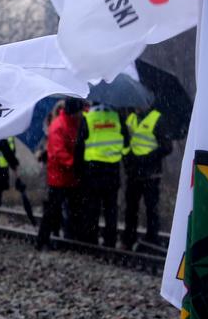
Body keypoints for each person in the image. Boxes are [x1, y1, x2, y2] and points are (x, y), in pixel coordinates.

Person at [36, 97, 85, 250]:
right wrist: (74, 163)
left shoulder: (73, 123)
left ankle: (69, 238)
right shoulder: (59, 126)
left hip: (69, 176)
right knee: (53, 210)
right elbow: (58, 152)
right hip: (59, 177)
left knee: (71, 209)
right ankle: (42, 241)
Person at [76, 101, 127, 247]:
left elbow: (79, 144)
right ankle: (110, 240)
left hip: (93, 170)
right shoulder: (117, 117)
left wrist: (79, 169)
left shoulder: (88, 117)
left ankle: (91, 239)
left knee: (92, 207)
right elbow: (126, 143)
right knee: (111, 208)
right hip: (112, 170)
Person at [122, 103, 173, 249]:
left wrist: (148, 157)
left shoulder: (156, 119)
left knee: (151, 209)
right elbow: (125, 144)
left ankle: (152, 240)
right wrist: (129, 160)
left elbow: (167, 147)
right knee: (131, 209)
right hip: (133, 174)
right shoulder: (130, 119)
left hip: (151, 174)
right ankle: (129, 239)